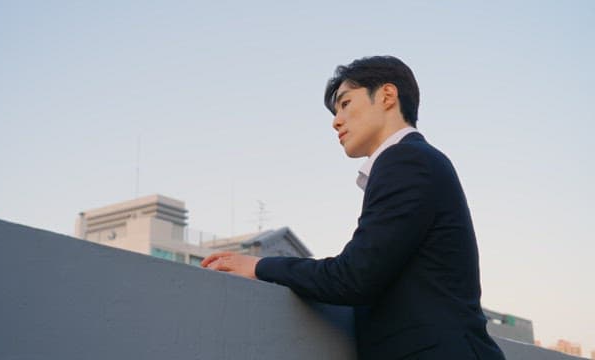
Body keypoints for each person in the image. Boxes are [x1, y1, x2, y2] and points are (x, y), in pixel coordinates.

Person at [202, 55, 505, 360]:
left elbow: (353, 276)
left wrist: (258, 266)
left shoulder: (406, 160)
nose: (336, 120)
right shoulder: (417, 160)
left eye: (345, 104)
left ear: (387, 95)